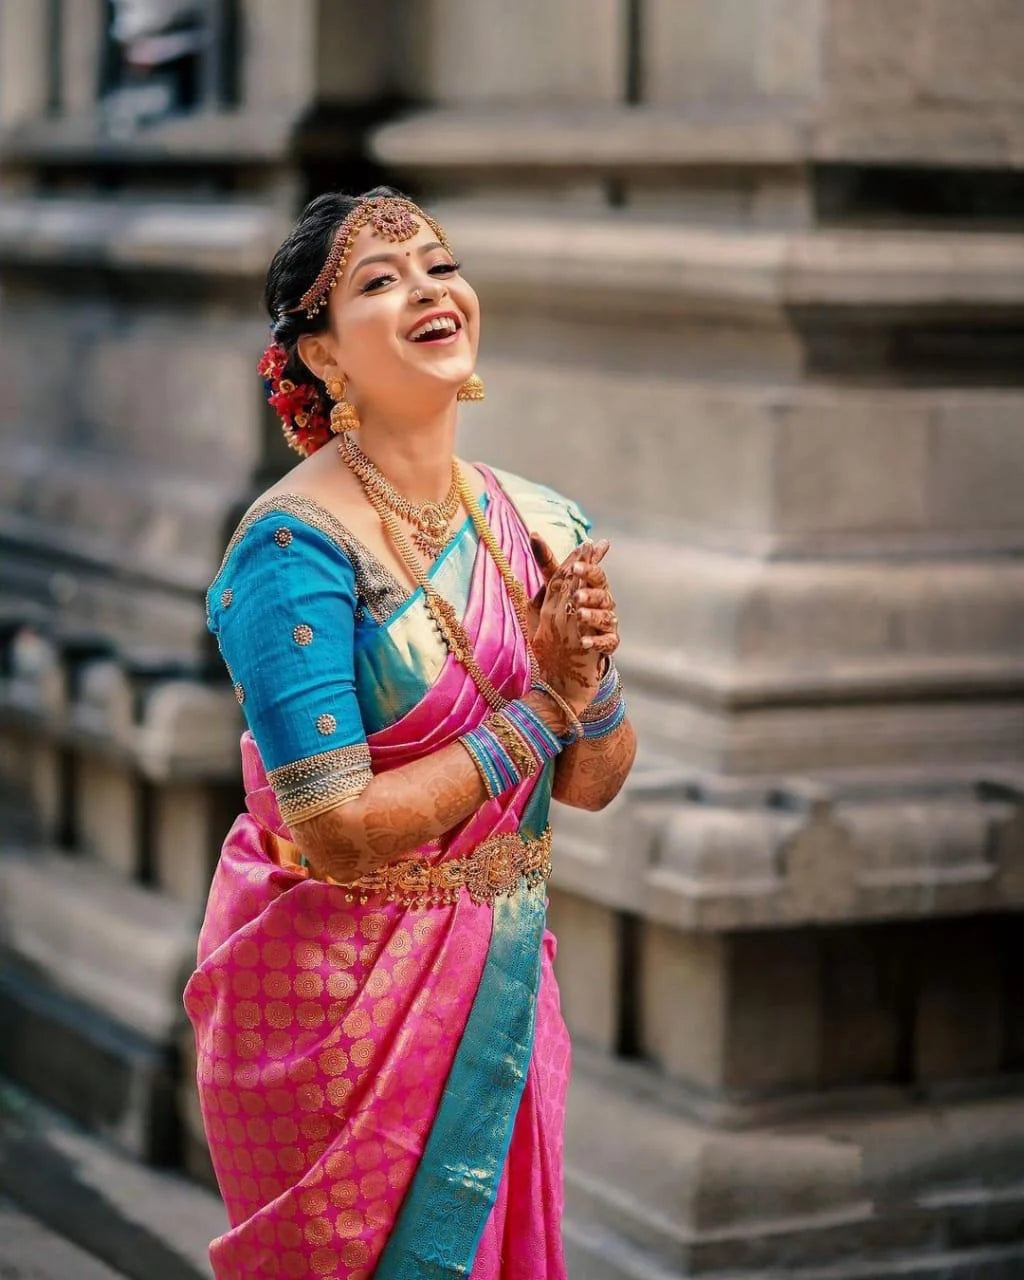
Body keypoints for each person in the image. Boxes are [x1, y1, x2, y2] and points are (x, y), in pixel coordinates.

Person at [183, 185, 636, 1279]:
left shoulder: (540, 520)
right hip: (334, 1014)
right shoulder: (293, 549)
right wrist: (543, 705)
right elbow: (337, 830)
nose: (428, 290)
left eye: (440, 264)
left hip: (499, 981)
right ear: (322, 356)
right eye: (379, 281)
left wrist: (586, 682)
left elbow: (590, 780)